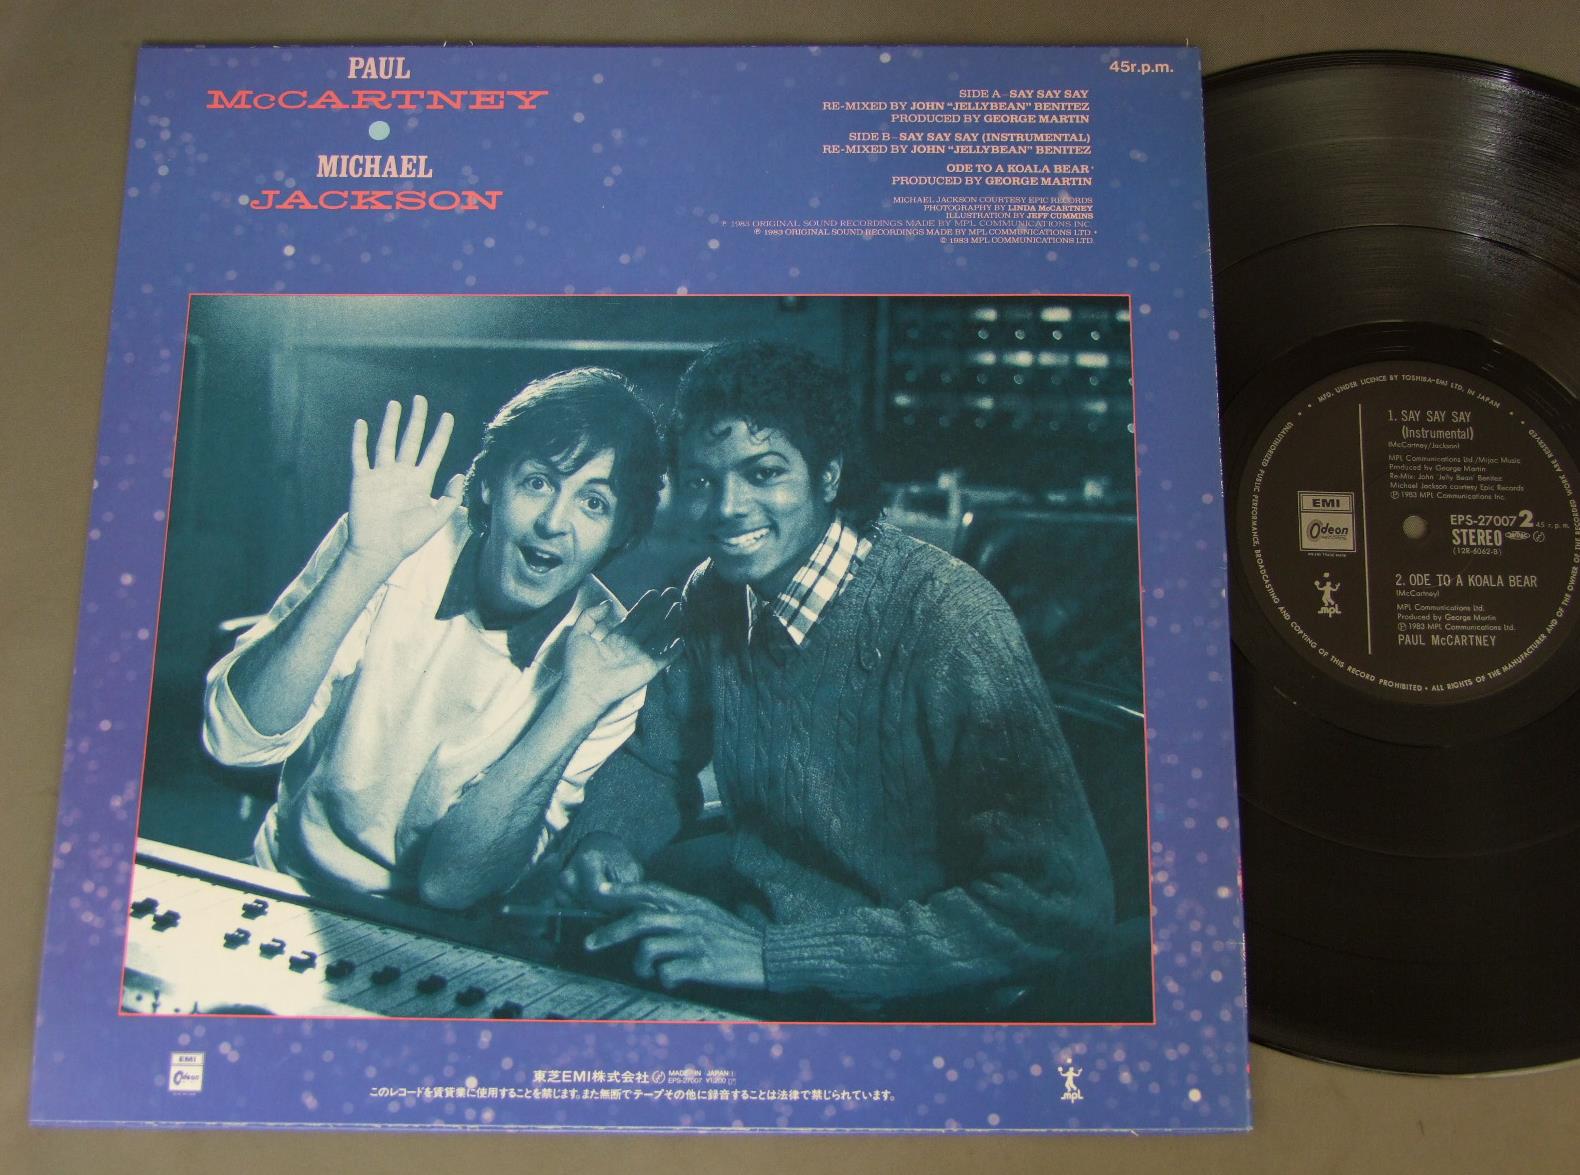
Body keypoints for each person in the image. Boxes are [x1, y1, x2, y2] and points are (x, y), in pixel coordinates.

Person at [555, 341, 1115, 1015]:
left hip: (922, 999)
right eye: (702, 481)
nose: (727, 507)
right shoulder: (715, 593)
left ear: (828, 475)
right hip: (759, 963)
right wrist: (607, 836)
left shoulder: (950, 618)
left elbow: (1059, 903)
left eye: (764, 473)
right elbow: (654, 757)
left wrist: (776, 957)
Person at [202, 369, 682, 908]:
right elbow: (235, 743)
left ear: (620, 533)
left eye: (594, 503)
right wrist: (362, 563)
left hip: (442, 929)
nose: (554, 521)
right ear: (490, 485)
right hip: (287, 882)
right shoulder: (392, 542)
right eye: (538, 482)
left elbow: (452, 886)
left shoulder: (610, 661)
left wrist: (577, 704)